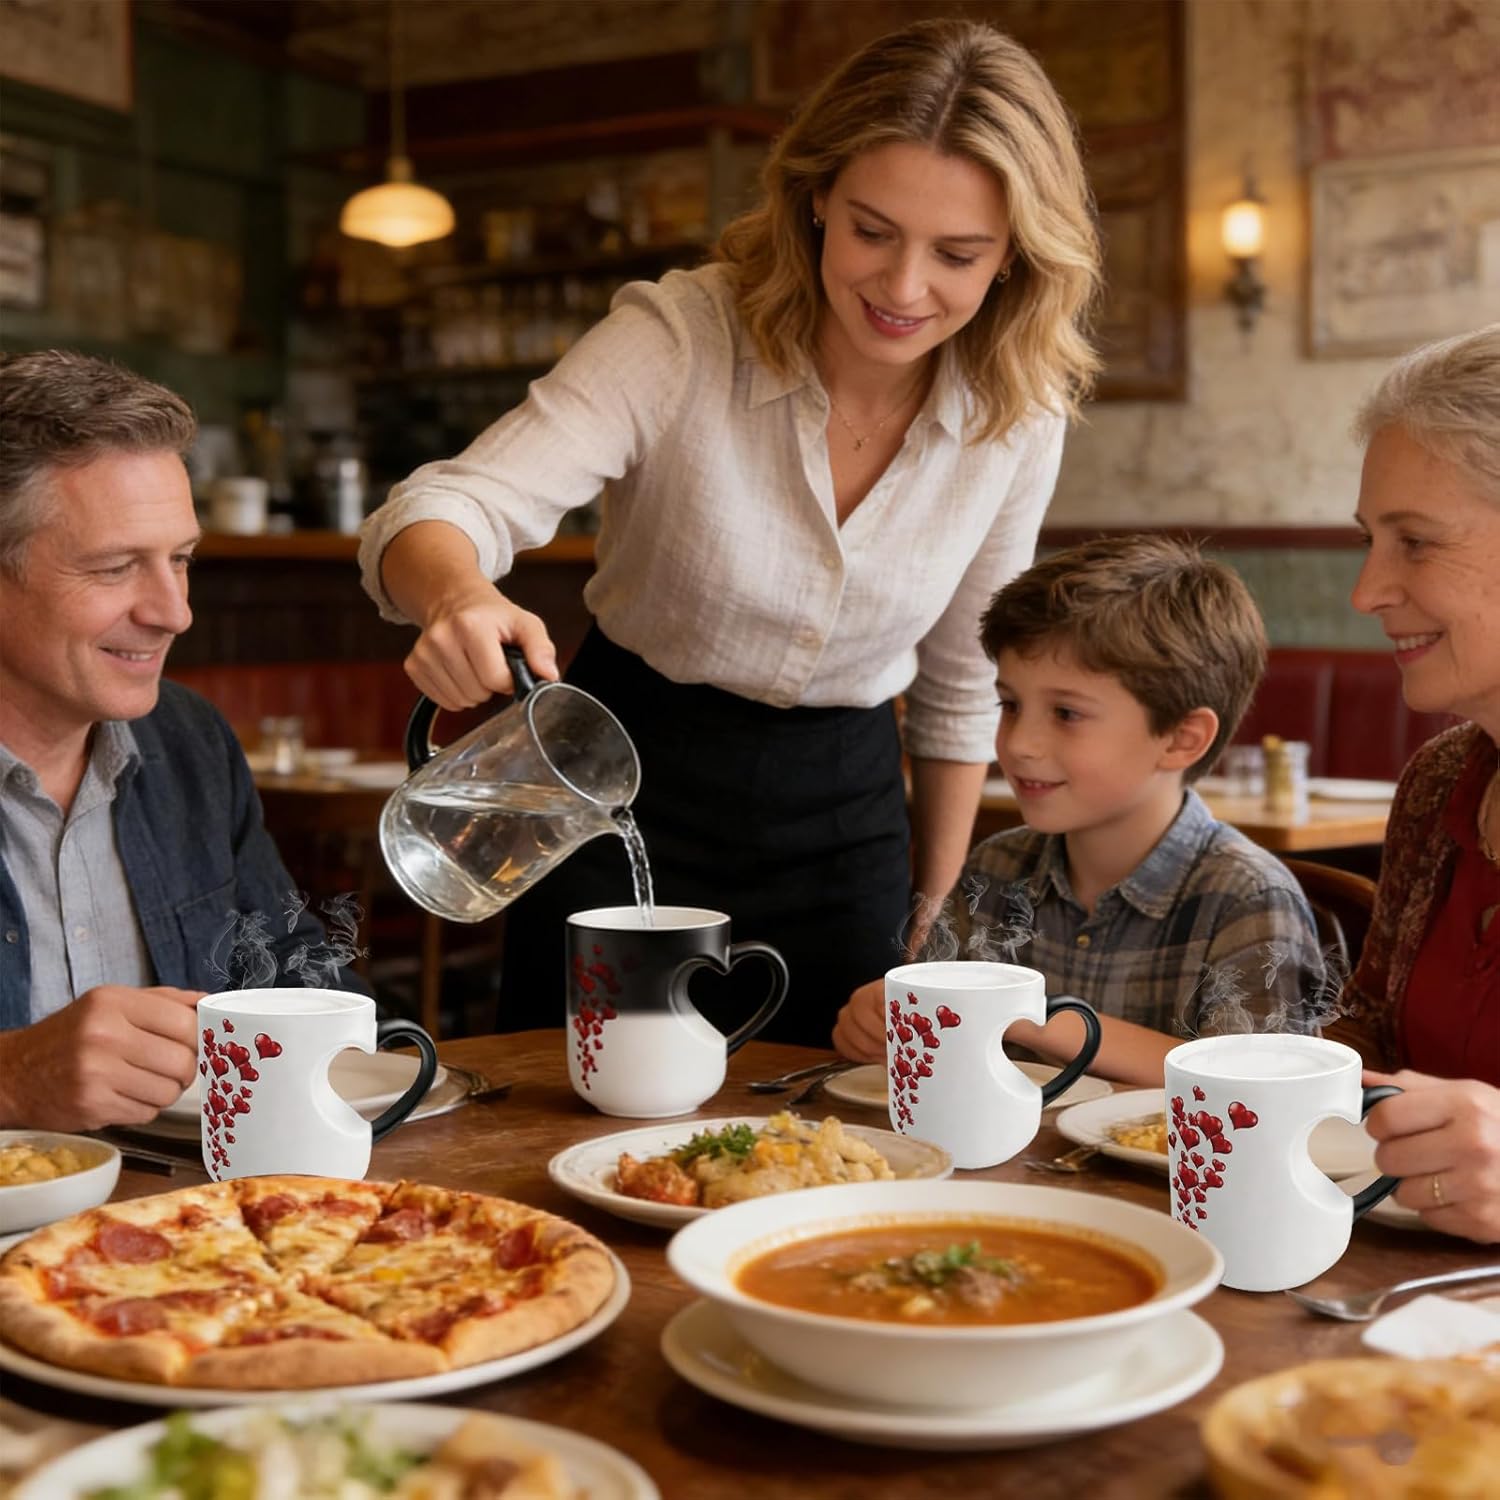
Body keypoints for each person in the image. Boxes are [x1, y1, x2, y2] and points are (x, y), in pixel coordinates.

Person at [357, 19, 1102, 1045]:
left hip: (846, 817)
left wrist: (933, 911)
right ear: (814, 200)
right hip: (620, 772)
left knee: (833, 1142)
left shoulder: (1019, 413)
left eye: (957, 253)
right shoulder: (681, 338)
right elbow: (449, 503)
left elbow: (960, 686)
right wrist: (457, 594)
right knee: (571, 1128)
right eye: (872, 230)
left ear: (1014, 257)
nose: (903, 287)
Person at [0, 351, 359, 1131]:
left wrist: (342, 1023)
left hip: (198, 1232)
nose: (173, 612)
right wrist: (11, 1081)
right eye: (117, 567)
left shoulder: (189, 741)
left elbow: (297, 969)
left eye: (181, 562)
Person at [833, 535, 1326, 1084]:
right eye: (1010, 705)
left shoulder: (1250, 899)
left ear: (1182, 739)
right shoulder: (996, 870)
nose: (1019, 743)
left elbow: (1260, 1092)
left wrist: (1027, 1018)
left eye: (1066, 713)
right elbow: (931, 1050)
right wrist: (882, 1026)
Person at [1327, 323, 1500, 1244]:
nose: (1365, 591)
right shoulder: (1439, 787)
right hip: (1402, 1312)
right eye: (1369, 540)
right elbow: (1369, 1046)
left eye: (1416, 543)